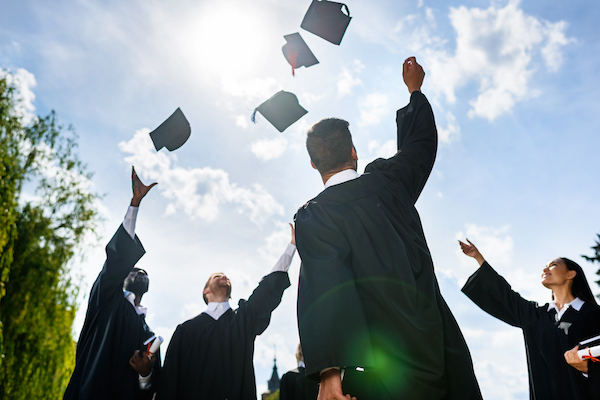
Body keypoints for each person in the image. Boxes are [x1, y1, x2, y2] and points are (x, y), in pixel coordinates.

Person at [294, 57, 482, 400]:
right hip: (438, 347)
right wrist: (415, 92)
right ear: (353, 152)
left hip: (378, 369)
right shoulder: (390, 181)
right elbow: (420, 146)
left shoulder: (315, 216)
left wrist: (330, 373)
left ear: (313, 163)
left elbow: (325, 285)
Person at [158, 225, 296, 399]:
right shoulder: (186, 330)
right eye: (217, 276)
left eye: (226, 276)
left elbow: (267, 288)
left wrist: (292, 245)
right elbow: (170, 380)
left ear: (231, 294)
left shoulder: (244, 320)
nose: (224, 276)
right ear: (205, 291)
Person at [460, 238, 600, 400]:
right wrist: (478, 257)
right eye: (545, 266)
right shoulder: (535, 316)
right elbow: (506, 295)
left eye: (553, 265)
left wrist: (588, 369)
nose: (545, 268)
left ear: (571, 274)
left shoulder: (593, 314)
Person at [64, 167, 160, 400]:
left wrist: (146, 373)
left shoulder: (149, 336)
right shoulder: (107, 298)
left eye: (144, 272)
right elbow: (116, 260)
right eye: (134, 268)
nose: (140, 270)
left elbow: (150, 388)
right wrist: (135, 204)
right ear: (122, 277)